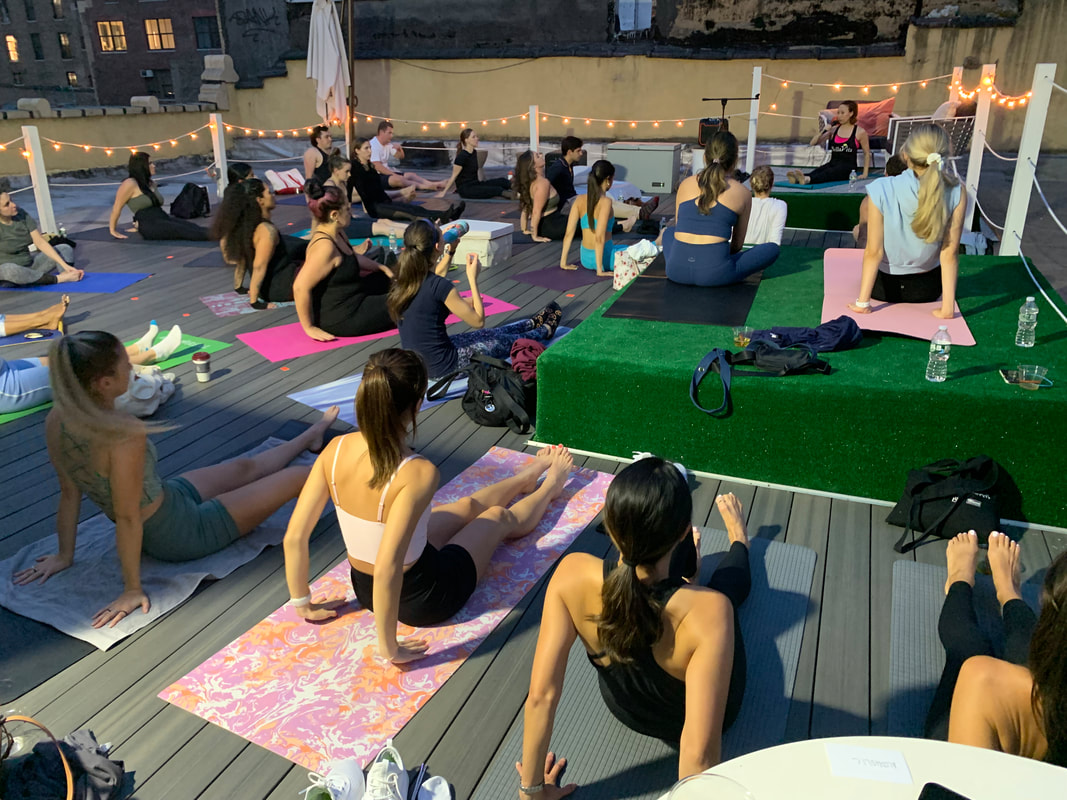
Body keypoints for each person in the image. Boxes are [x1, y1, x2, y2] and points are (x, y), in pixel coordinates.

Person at [10, 330, 338, 628]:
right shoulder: (123, 433)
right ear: (104, 382)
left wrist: (64, 556)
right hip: (179, 534)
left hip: (168, 498)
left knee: (246, 468)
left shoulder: (58, 418)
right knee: (301, 476)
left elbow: (69, 494)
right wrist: (131, 589)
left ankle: (311, 434)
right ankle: (358, 468)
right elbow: (126, 518)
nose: (133, 369)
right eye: (126, 364)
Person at [282, 347, 573, 663]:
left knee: (466, 506)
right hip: (426, 596)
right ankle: (551, 488)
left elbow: (295, 536)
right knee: (497, 517)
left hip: (365, 587)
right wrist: (389, 647)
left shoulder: (335, 449)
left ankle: (526, 477)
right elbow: (390, 564)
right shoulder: (417, 472)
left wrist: (302, 602)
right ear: (417, 404)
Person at [518, 459, 752, 798]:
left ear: (610, 529)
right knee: (723, 597)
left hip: (627, 708)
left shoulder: (571, 575)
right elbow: (698, 755)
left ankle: (689, 581)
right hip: (692, 710)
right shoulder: (713, 612)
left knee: (700, 607)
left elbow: (541, 697)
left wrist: (531, 792)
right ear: (684, 531)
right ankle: (737, 540)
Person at [925, 531, 1066, 768]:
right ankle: (1008, 592)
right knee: (1023, 643)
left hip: (959, 757)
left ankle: (961, 580)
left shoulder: (982, 679)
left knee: (968, 649)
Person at [387, 219, 563, 380]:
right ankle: (543, 331)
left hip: (423, 362)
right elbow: (478, 320)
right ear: (437, 246)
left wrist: (452, 251)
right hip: (443, 367)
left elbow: (436, 277)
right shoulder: (440, 286)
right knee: (498, 341)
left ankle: (530, 324)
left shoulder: (404, 278)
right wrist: (472, 278)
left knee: (488, 335)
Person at [848, 124, 965, 319]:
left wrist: (862, 303)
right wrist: (947, 309)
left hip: (883, 289)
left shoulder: (881, 187)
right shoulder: (957, 191)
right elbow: (949, 252)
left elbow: (873, 251)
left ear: (906, 156)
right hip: (927, 289)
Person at [663, 132, 779, 287]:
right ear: (735, 161)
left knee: (669, 232)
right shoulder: (742, 193)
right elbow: (737, 246)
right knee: (772, 249)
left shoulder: (685, 184)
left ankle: (694, 261)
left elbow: (680, 229)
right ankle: (715, 263)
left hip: (675, 271)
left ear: (705, 157)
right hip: (715, 274)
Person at [293, 179, 395, 342]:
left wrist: (381, 267)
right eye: (347, 209)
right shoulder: (324, 247)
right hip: (343, 317)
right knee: (407, 299)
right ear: (334, 215)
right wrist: (309, 327)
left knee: (396, 279)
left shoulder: (338, 233)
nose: (351, 213)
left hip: (355, 297)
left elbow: (351, 258)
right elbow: (299, 287)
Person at [212, 178, 304, 307]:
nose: (272, 195)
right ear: (259, 200)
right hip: (282, 289)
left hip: (271, 287)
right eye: (268, 192)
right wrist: (255, 302)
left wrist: (238, 287)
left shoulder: (246, 226)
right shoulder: (267, 231)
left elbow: (242, 259)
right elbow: (259, 266)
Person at [349, 138, 462, 224]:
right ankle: (443, 218)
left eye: (370, 148)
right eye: (366, 148)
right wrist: (350, 213)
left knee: (414, 208)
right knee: (410, 214)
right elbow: (349, 189)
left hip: (384, 201)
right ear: (357, 151)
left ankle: (446, 214)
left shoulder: (370, 166)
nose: (370, 151)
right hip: (375, 208)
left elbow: (378, 188)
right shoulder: (354, 168)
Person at [560, 160, 639, 276]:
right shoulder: (606, 202)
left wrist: (563, 263)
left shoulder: (579, 200)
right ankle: (658, 240)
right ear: (608, 179)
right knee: (643, 250)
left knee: (626, 247)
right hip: (605, 259)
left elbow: (568, 233)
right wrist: (600, 270)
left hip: (585, 259)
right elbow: (599, 237)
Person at [108, 153, 210, 241]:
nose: (154, 165)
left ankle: (222, 233)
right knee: (184, 231)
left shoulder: (151, 183)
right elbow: (116, 208)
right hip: (150, 225)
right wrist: (113, 230)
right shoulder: (129, 183)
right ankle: (221, 237)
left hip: (162, 218)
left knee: (192, 227)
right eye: (150, 163)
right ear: (142, 166)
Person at [0, 190, 82, 286]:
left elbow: (40, 242)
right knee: (9, 269)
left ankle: (66, 274)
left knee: (64, 248)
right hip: (8, 275)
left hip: (30, 267)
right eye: (7, 204)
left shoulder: (21, 214)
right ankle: (58, 279)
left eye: (11, 200)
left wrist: (65, 266)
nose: (13, 205)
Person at [322, 154, 408, 243]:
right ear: (336, 171)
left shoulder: (344, 183)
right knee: (383, 228)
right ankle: (415, 235)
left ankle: (414, 229)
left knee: (385, 221)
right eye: (346, 171)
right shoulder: (329, 187)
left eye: (350, 171)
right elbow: (323, 212)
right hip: (339, 227)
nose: (349, 174)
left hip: (348, 220)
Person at [786, 100, 871, 185]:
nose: (839, 116)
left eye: (842, 113)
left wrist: (865, 173)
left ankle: (807, 179)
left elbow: (867, 153)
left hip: (847, 168)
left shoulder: (859, 132)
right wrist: (824, 130)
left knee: (829, 173)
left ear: (851, 113)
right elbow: (813, 143)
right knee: (820, 170)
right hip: (832, 163)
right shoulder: (834, 130)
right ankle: (799, 178)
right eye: (838, 113)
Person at [437, 129, 513, 200]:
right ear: (467, 140)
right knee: (496, 190)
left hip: (476, 184)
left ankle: (521, 189)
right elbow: (454, 176)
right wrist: (443, 192)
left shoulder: (474, 152)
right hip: (466, 190)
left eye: (476, 136)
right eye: (473, 137)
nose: (477, 138)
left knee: (502, 181)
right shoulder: (462, 156)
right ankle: (516, 196)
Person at [370, 121, 445, 191]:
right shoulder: (373, 145)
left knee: (411, 175)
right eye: (389, 133)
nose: (391, 136)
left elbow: (400, 157)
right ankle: (425, 187)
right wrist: (393, 174)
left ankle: (432, 184)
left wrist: (400, 149)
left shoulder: (387, 144)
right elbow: (377, 166)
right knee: (400, 180)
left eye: (392, 133)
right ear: (381, 132)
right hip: (377, 176)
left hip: (387, 173)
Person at [852, 153, 906, 247]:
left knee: (858, 230)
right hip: (916, 249)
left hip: (885, 247)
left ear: (886, 174)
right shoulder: (917, 192)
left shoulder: (872, 197)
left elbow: (863, 238)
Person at [515, 150, 567, 242]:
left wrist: (524, 229)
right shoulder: (542, 183)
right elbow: (536, 211)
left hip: (549, 224)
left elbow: (526, 208)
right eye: (537, 156)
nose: (541, 155)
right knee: (587, 221)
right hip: (552, 226)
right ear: (533, 165)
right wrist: (534, 236)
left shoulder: (530, 182)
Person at [744, 166, 787, 246]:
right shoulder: (780, 206)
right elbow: (775, 242)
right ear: (772, 184)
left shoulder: (742, 203)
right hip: (764, 254)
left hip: (737, 255)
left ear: (751, 184)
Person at [545, 136, 584, 205]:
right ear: (569, 152)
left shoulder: (569, 165)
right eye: (578, 151)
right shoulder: (558, 168)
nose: (581, 154)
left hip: (571, 199)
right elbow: (546, 185)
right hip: (562, 204)